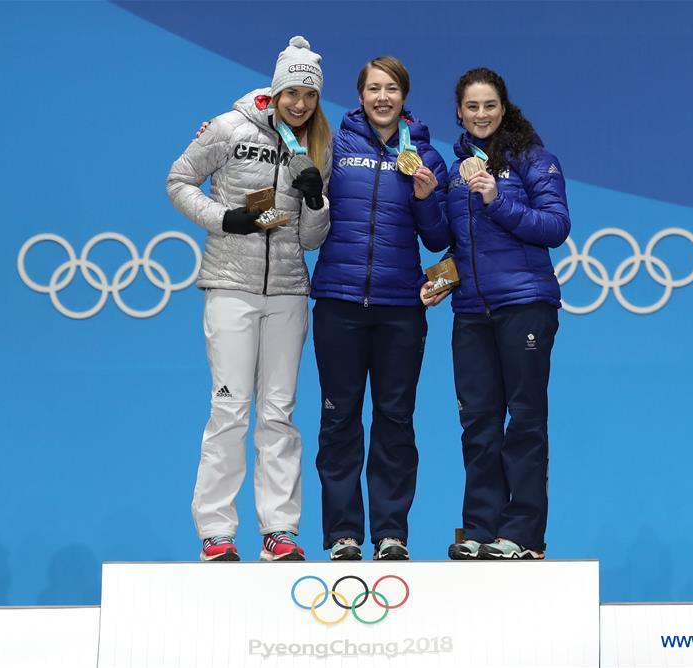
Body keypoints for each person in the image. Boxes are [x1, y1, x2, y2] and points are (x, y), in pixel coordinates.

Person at [166, 36, 331, 562]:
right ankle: (216, 532)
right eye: (293, 92)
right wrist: (225, 219)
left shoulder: (317, 145)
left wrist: (316, 199)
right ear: (276, 90)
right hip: (231, 287)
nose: (300, 104)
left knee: (279, 414)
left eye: (310, 94)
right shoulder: (229, 127)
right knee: (230, 408)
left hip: (288, 291)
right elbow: (179, 181)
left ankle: (279, 531)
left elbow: (310, 239)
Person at [422, 67, 570, 560]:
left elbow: (555, 227)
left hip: (524, 305)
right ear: (459, 113)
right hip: (471, 312)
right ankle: (481, 529)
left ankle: (523, 535)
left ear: (503, 109)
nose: (481, 114)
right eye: (472, 107)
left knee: (524, 420)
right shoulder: (455, 169)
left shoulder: (533, 159)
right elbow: (445, 239)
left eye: (489, 105)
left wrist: (496, 200)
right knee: (478, 424)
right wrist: (425, 202)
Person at [311, 56, 449, 561]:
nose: (382, 97)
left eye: (391, 88)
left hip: (399, 310)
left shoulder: (427, 156)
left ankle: (391, 534)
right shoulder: (333, 146)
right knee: (338, 421)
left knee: (395, 421)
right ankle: (343, 535)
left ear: (404, 96)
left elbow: (438, 238)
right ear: (360, 95)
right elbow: (283, 141)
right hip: (339, 303)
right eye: (374, 88)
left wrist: (426, 198)